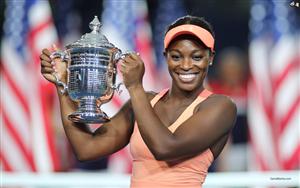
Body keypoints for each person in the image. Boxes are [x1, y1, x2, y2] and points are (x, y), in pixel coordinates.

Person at [40, 15, 237, 188]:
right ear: (165, 57)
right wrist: (63, 85)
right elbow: (86, 149)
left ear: (210, 58)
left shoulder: (221, 106)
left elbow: (165, 149)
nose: (186, 65)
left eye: (196, 57)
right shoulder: (144, 102)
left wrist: (135, 87)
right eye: (176, 56)